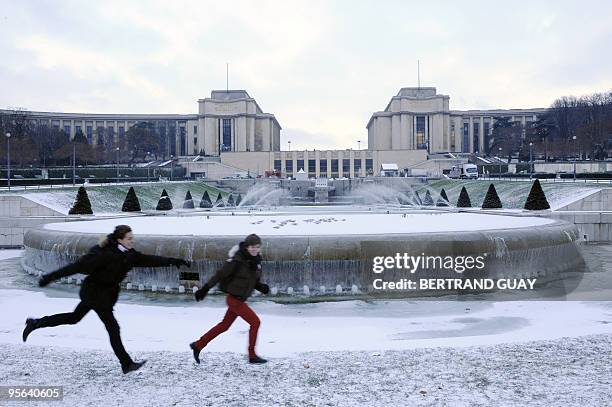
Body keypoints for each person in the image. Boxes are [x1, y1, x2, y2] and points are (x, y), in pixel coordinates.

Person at [22, 225, 191, 374]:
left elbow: (150, 260)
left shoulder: (129, 255)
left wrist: (174, 261)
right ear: (119, 240)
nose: (132, 241)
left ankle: (35, 323)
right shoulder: (102, 254)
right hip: (95, 293)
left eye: (133, 238)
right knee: (113, 327)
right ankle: (126, 364)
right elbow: (75, 267)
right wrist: (49, 277)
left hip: (104, 294)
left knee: (74, 318)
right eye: (129, 239)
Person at [190, 233, 269, 364]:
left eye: (257, 247)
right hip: (234, 300)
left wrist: (261, 287)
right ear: (247, 247)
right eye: (252, 247)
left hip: (239, 300)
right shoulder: (237, 260)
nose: (255, 249)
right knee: (255, 322)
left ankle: (198, 345)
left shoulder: (256, 261)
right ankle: (252, 355)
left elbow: (251, 280)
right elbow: (219, 275)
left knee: (224, 326)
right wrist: (205, 289)